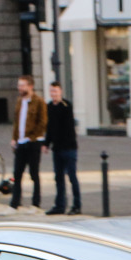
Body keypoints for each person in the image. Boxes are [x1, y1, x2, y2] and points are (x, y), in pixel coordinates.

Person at [9, 74, 47, 211]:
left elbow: (42, 122)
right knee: (17, 173)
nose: (20, 88)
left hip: (33, 141)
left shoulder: (38, 101)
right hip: (20, 141)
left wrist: (32, 137)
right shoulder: (20, 101)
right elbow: (17, 121)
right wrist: (14, 138)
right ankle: (15, 203)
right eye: (19, 85)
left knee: (34, 173)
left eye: (22, 85)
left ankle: (35, 204)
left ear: (30, 86)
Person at [43, 81, 81, 215]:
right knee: (58, 178)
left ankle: (77, 205)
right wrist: (46, 144)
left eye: (56, 91)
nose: (53, 94)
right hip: (57, 149)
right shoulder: (49, 107)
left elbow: (66, 128)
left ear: (61, 92)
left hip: (68, 148)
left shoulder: (66, 106)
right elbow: (49, 128)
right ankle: (60, 205)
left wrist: (58, 141)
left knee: (72, 177)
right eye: (51, 91)